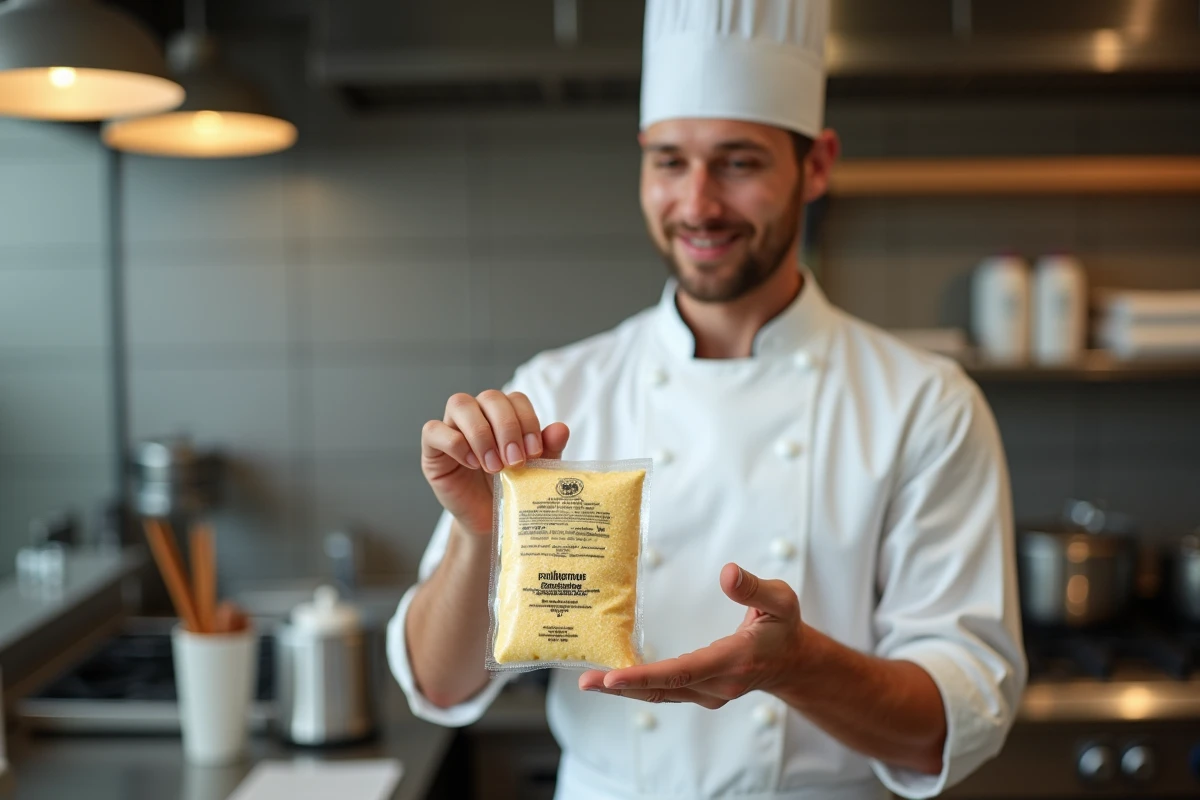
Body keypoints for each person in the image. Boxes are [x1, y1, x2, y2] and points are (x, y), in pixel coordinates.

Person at [387, 0, 1027, 797]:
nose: (696, 204)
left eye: (739, 162)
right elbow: (439, 684)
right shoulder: (557, 389)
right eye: (670, 161)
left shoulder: (925, 405)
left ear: (817, 166)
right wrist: (479, 536)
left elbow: (955, 720)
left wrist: (798, 666)